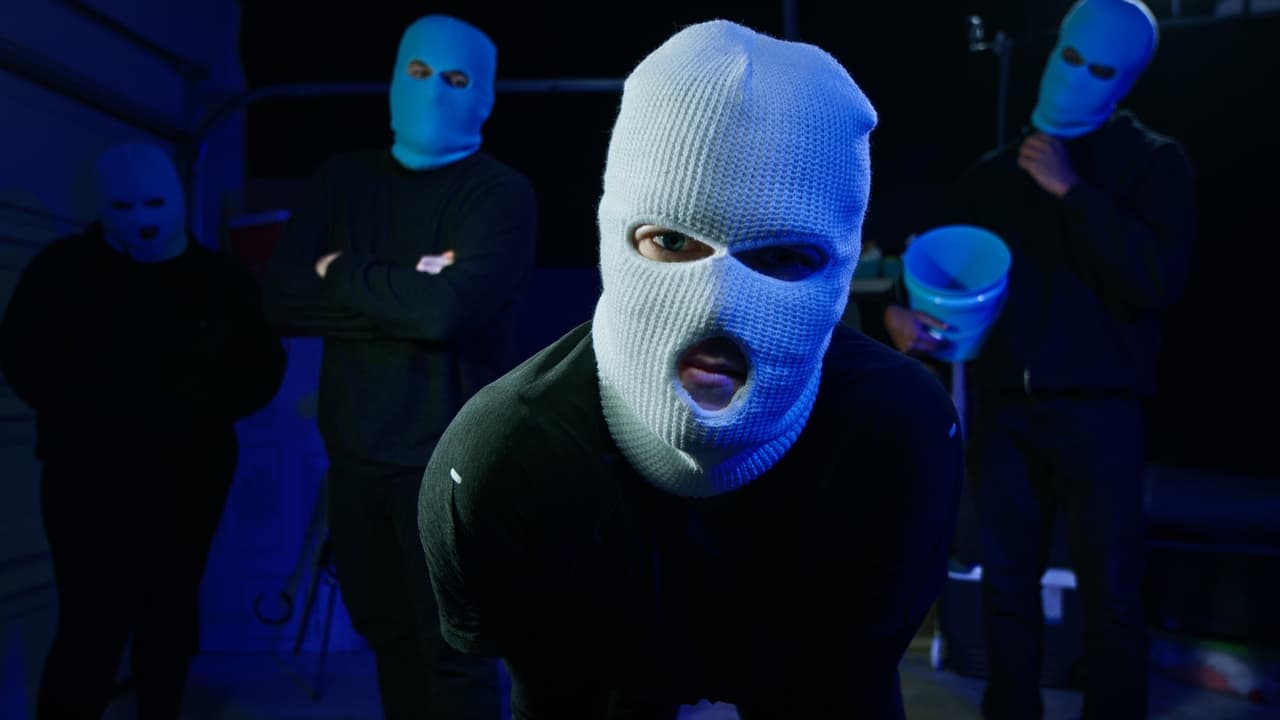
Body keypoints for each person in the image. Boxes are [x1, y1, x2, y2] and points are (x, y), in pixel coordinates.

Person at [419, 19, 963, 719]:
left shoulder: (898, 436)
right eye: (672, 241)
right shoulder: (502, 460)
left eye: (780, 257)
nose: (715, 305)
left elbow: (844, 682)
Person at [880, 1, 1194, 717]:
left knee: (1113, 591)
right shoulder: (993, 174)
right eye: (1070, 56)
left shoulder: (1153, 163)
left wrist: (1072, 192)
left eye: (1100, 67)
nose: (1076, 75)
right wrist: (900, 310)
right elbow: (943, 265)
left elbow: (1154, 279)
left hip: (1101, 412)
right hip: (1006, 411)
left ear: (1127, 79)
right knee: (1007, 586)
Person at [261, 13, 536, 720]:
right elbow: (281, 295)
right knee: (387, 637)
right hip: (355, 458)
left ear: (484, 94)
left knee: (455, 653)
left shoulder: (499, 194)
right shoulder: (342, 180)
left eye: (455, 78)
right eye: (418, 72)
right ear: (394, 75)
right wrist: (408, 289)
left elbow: (444, 314)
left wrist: (339, 269)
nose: (433, 91)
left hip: (449, 469)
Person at [0, 141, 286, 719]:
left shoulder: (220, 280)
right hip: (90, 475)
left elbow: (261, 364)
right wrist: (103, 409)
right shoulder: (63, 270)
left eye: (154, 203)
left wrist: (197, 408)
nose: (142, 220)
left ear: (174, 199)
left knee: (170, 607)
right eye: (124, 206)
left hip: (190, 471)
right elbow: (25, 357)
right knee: (93, 615)